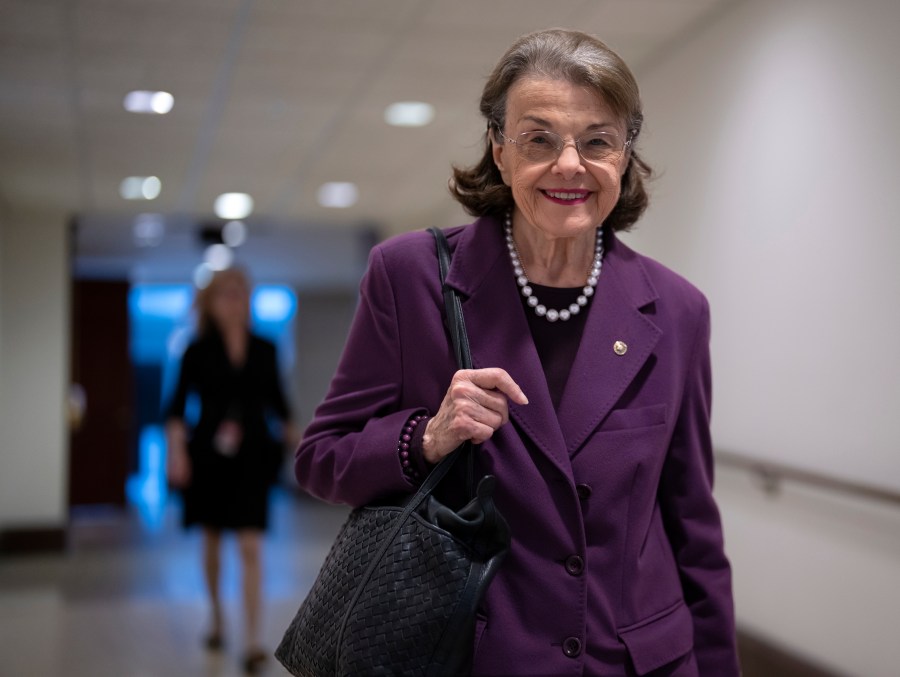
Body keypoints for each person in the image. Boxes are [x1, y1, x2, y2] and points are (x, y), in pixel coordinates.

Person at [295, 28, 739, 676]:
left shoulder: (676, 311)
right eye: (539, 138)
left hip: (635, 662)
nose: (569, 165)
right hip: (474, 656)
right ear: (499, 151)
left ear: (624, 157)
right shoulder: (411, 275)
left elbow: (693, 524)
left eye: (596, 141)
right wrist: (428, 435)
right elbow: (320, 458)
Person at [165, 267, 296, 675]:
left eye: (240, 292)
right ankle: (218, 617)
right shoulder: (195, 349)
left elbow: (280, 404)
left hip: (254, 456)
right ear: (210, 301)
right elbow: (174, 409)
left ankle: (254, 640)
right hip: (208, 457)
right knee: (212, 542)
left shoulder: (265, 348)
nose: (234, 299)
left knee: (250, 546)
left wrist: (304, 446)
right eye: (225, 293)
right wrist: (176, 455)